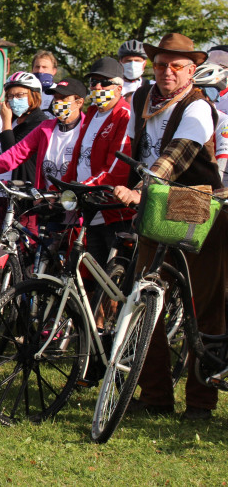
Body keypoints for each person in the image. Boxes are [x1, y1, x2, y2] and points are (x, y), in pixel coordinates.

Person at [112, 33, 225, 421]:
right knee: (146, 302)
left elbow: (175, 156)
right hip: (155, 207)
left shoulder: (198, 107)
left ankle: (201, 403)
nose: (167, 72)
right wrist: (112, 186)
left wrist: (139, 188)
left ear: (191, 71)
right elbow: (133, 152)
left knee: (203, 309)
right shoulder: (141, 99)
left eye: (177, 66)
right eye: (161, 65)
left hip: (196, 204)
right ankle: (155, 395)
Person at [63, 58, 134, 266]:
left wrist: (84, 187)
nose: (98, 87)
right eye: (94, 82)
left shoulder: (124, 116)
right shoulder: (92, 112)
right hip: (90, 209)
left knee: (112, 282)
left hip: (114, 213)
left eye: (105, 82)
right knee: (92, 279)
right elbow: (79, 156)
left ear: (119, 88)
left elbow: (117, 168)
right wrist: (64, 185)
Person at [0, 78, 87, 188]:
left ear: (79, 102)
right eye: (56, 97)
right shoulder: (45, 128)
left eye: (63, 98)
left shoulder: (87, 128)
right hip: (46, 197)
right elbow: (16, 153)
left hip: (75, 197)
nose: (58, 102)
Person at [0, 71, 48, 184]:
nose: (14, 100)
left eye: (20, 95)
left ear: (34, 95)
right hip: (4, 185)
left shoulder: (40, 123)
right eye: (10, 96)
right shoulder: (13, 119)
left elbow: (11, 154)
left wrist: (6, 122)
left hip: (26, 186)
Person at [191, 63, 228, 185]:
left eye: (196, 91)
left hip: (211, 182)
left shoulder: (222, 119)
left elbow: (222, 161)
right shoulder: (185, 114)